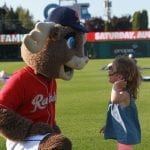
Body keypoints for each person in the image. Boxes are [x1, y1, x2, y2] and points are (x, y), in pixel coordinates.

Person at [100, 56, 141, 150]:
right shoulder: (120, 93)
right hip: (122, 132)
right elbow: (116, 113)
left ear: (120, 76)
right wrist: (108, 125)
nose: (109, 72)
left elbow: (114, 100)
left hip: (126, 133)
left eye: (112, 69)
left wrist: (114, 87)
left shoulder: (124, 94)